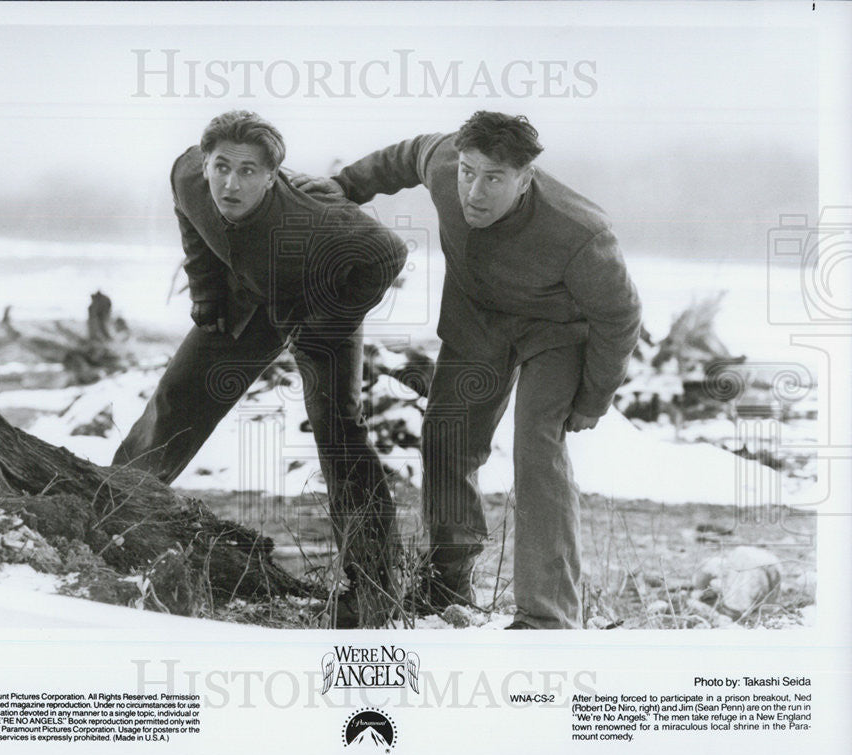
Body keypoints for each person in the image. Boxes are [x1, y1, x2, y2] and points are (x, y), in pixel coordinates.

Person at [293, 111, 641, 629]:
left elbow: (619, 316)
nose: (474, 191)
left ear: (526, 179)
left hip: (555, 334)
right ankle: (448, 582)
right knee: (447, 438)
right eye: (468, 172)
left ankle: (548, 616)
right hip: (478, 322)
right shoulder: (443, 162)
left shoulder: (581, 232)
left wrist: (593, 399)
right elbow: (406, 154)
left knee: (536, 447)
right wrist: (346, 186)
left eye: (494, 178)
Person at [112, 110, 407, 628]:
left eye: (249, 171)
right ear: (204, 162)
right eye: (222, 166)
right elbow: (192, 224)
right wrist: (205, 291)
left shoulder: (319, 222)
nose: (230, 182)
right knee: (176, 400)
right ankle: (112, 514)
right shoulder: (188, 175)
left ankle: (374, 586)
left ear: (273, 177)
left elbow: (387, 253)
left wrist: (326, 325)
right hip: (245, 298)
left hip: (320, 297)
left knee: (339, 432)